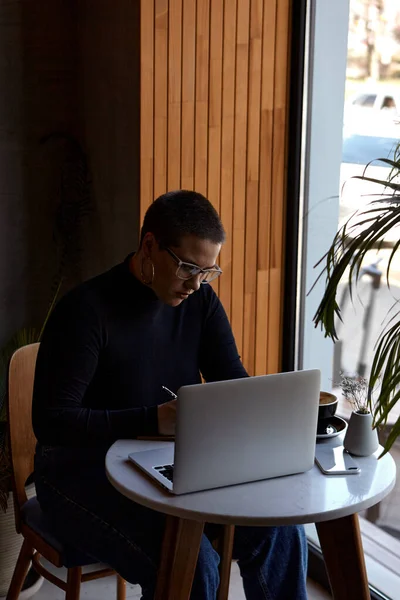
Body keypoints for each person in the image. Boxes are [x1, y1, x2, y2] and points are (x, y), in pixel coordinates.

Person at [33, 190, 308, 600]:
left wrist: (263, 410)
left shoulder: (200, 304)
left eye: (208, 271)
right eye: (186, 268)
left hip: (167, 464)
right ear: (149, 246)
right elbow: (53, 423)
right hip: (77, 474)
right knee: (191, 564)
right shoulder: (86, 311)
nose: (196, 284)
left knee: (281, 527)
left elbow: (231, 382)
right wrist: (153, 420)